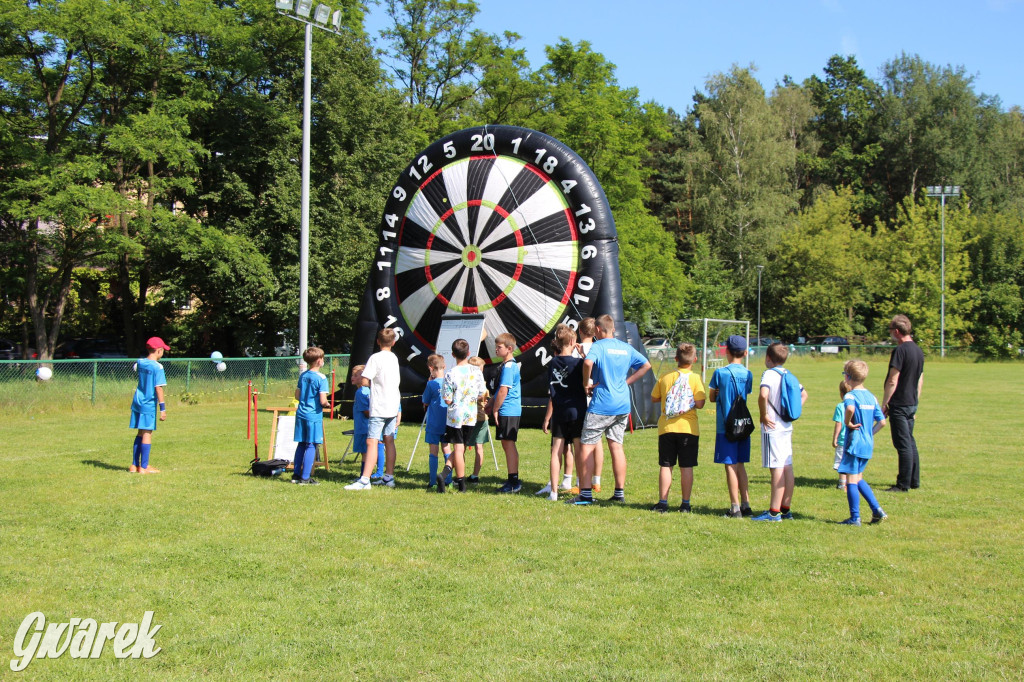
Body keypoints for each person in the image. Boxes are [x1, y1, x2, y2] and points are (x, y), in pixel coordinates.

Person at [572, 315, 651, 505]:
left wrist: (585, 384)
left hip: (602, 404)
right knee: (616, 446)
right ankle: (619, 493)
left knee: (587, 447)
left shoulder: (599, 346)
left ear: (598, 329)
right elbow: (646, 365)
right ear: (613, 329)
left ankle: (585, 495)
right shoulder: (625, 347)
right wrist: (627, 382)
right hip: (622, 404)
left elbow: (589, 363)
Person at [752, 343, 808, 522]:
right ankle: (786, 509)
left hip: (772, 427)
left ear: (768, 358)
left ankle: (773, 512)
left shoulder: (769, 374)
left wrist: (763, 414)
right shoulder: (787, 373)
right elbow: (804, 394)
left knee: (775, 468)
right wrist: (792, 413)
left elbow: (763, 395)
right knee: (787, 467)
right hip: (786, 426)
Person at [649, 343, 706, 513]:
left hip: (667, 428)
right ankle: (685, 504)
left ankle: (663, 502)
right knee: (686, 466)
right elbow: (700, 403)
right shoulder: (695, 378)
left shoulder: (666, 377)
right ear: (694, 360)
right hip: (689, 428)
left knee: (666, 465)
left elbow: (654, 398)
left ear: (675, 359)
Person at [345, 328, 401, 491]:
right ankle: (389, 477)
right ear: (393, 342)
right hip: (392, 404)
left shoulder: (375, 358)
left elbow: (364, 379)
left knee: (372, 441)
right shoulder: (394, 358)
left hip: (380, 405)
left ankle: (364, 480)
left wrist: (372, 386)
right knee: (389, 440)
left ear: (377, 341)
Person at [539, 324, 587, 501]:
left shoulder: (552, 363)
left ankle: (553, 492)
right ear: (573, 341)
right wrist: (583, 355)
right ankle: (582, 488)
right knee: (579, 450)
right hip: (577, 410)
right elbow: (589, 372)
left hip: (559, 411)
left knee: (556, 452)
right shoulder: (579, 363)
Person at [707, 335, 753, 517]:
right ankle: (746, 504)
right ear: (745, 353)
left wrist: (719, 393)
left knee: (730, 465)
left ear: (726, 352)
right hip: (742, 424)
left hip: (725, 425)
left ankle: (734, 507)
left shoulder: (720, 373)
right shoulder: (748, 374)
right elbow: (746, 392)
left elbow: (712, 397)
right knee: (741, 464)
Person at [838, 359, 888, 525]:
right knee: (858, 478)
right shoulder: (872, 397)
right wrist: (870, 433)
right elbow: (882, 422)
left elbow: (850, 409)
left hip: (855, 443)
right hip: (867, 443)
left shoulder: (850, 395)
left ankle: (855, 517)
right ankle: (877, 510)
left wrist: (848, 422)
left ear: (848, 377)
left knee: (851, 480)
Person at [882, 314, 924, 492]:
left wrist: (885, 403)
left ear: (897, 331)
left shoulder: (900, 351)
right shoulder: (918, 350)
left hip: (899, 403)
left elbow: (893, 379)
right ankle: (914, 480)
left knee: (902, 443)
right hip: (911, 401)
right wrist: (916, 400)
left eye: (891, 331)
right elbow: (920, 379)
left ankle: (903, 484)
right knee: (910, 441)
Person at [440, 338, 486, 493]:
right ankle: (455, 479)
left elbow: (447, 399)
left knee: (458, 448)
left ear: (453, 354)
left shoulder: (450, 373)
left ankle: (457, 480)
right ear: (468, 353)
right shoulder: (477, 372)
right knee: (462, 447)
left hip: (455, 416)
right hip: (470, 415)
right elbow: (481, 393)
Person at [129, 337, 170, 474]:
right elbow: (158, 388)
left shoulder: (140, 362)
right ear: (158, 350)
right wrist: (162, 409)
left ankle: (134, 465)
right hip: (148, 404)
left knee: (140, 432)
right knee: (147, 433)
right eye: (163, 350)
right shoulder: (158, 367)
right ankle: (144, 467)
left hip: (137, 402)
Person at [292, 346, 329, 485]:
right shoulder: (321, 378)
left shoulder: (303, 375)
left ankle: (296, 475)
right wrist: (327, 404)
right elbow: (322, 400)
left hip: (301, 413)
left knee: (301, 443)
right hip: (313, 415)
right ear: (319, 361)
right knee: (311, 444)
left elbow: (297, 395)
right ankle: (306, 477)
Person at [491, 333, 523, 494]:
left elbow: (503, 390)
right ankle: (513, 478)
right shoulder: (506, 365)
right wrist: (490, 404)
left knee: (508, 444)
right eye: (496, 346)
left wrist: (495, 408)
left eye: (499, 347)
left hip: (508, 409)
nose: (496, 349)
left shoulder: (510, 367)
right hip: (507, 409)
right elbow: (498, 390)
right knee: (506, 443)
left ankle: (513, 481)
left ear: (509, 349)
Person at [576, 317, 604, 493]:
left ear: (580, 331)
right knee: (598, 440)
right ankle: (597, 480)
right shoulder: (599, 348)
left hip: (581, 397)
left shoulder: (575, 350)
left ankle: (581, 480)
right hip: (597, 398)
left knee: (581, 442)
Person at [422, 354, 453, 490]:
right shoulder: (449, 382)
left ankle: (432, 481)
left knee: (433, 451)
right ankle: (449, 479)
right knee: (447, 449)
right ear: (444, 366)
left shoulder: (431, 384)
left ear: (430, 368)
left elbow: (425, 401)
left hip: (434, 423)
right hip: (447, 422)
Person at [466, 356, 491, 484]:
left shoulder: (467, 383)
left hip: (470, 417)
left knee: (462, 446)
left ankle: (462, 474)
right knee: (478, 447)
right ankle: (475, 475)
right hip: (480, 417)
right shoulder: (483, 385)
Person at [350, 365, 371, 476]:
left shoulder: (361, 392)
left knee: (365, 453)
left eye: (356, 375)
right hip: (364, 426)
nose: (352, 377)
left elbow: (366, 411)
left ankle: (364, 475)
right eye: (352, 375)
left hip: (363, 427)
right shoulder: (366, 390)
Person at [832, 379, 852, 490]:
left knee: (841, 461)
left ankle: (842, 484)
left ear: (841, 394)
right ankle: (851, 483)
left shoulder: (840, 406)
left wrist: (835, 438)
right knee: (850, 460)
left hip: (842, 439)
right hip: (853, 438)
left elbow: (839, 424)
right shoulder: (855, 404)